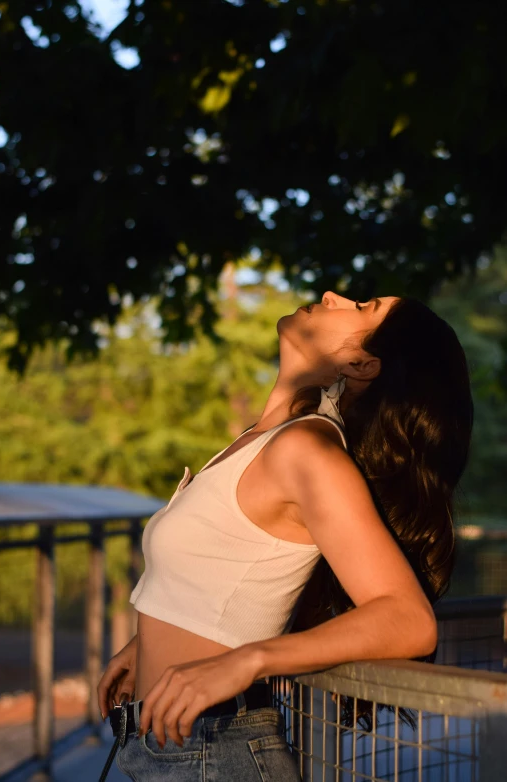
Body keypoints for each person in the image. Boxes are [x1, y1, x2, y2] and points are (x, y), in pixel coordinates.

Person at [98, 291, 473, 781]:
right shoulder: (268, 436)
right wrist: (147, 641)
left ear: (362, 365)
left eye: (362, 308)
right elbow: (230, 570)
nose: (331, 296)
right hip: (167, 743)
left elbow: (409, 620)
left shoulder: (306, 452)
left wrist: (248, 661)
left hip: (213, 753)